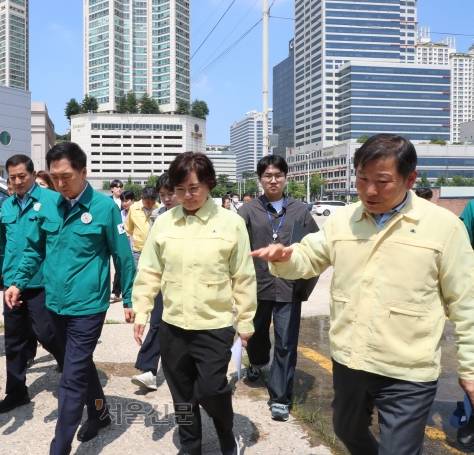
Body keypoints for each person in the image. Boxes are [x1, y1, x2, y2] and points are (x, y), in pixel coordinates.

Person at [252, 134, 474, 455]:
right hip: (350, 359)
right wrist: (285, 259)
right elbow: (308, 257)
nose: (369, 190)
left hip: (408, 368)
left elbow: (466, 302)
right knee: (346, 427)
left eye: (383, 181)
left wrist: (469, 369)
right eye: (362, 178)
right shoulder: (343, 220)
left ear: (410, 179)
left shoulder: (443, 227)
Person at [4, 142, 136, 455]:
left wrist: (129, 299)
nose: (60, 183)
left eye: (67, 176)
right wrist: (18, 282)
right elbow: (35, 249)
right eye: (55, 177)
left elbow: (123, 257)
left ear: (83, 171)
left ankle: (59, 447)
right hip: (55, 303)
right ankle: (101, 411)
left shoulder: (104, 208)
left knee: (71, 377)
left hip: (89, 306)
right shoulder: (48, 205)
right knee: (79, 363)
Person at [132, 152, 257, 455]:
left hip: (213, 326)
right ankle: (191, 446)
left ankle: (225, 430)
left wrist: (246, 320)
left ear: (209, 185)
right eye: (179, 189)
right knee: (182, 395)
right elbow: (149, 269)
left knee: (212, 390)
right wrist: (142, 309)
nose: (186, 196)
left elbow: (243, 275)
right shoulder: (164, 223)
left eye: (194, 188)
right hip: (173, 326)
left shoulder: (231, 223)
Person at [237, 155, 319, 421]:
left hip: (288, 289)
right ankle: (258, 363)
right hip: (256, 286)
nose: (273, 180)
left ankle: (280, 397)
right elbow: (236, 249)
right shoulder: (247, 211)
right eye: (268, 175)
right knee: (257, 334)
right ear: (260, 179)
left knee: (286, 342)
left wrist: (303, 287)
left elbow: (314, 250)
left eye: (278, 175)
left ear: (286, 177)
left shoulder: (299, 211)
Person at [0, 154, 64, 414]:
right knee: (14, 342)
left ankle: (72, 368)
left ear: (32, 174)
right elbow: (1, 243)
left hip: (41, 282)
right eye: (13, 177)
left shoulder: (52, 200)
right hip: (12, 284)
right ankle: (16, 391)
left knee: (47, 334)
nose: (18, 181)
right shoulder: (8, 206)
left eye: (22, 176)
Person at [131, 173, 179, 391]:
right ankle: (148, 370)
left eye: (171, 193)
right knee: (157, 322)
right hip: (162, 279)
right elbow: (153, 252)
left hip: (188, 283)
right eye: (163, 195)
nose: (168, 199)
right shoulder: (158, 216)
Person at [125, 185, 160, 267]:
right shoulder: (133, 208)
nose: (150, 205)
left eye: (153, 202)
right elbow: (127, 229)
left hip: (154, 251)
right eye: (148, 202)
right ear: (142, 197)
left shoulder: (160, 209)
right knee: (137, 275)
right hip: (138, 250)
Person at [111, 190, 137, 302]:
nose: (124, 203)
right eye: (123, 201)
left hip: (136, 246)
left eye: (127, 200)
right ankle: (116, 293)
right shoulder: (120, 214)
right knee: (120, 269)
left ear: (133, 200)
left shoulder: (137, 212)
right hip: (124, 245)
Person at [110, 179, 125, 301]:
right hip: (109, 233)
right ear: (112, 189)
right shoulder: (107, 201)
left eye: (121, 187)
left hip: (121, 234)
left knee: (119, 263)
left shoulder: (126, 201)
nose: (119, 189)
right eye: (116, 187)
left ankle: (116, 292)